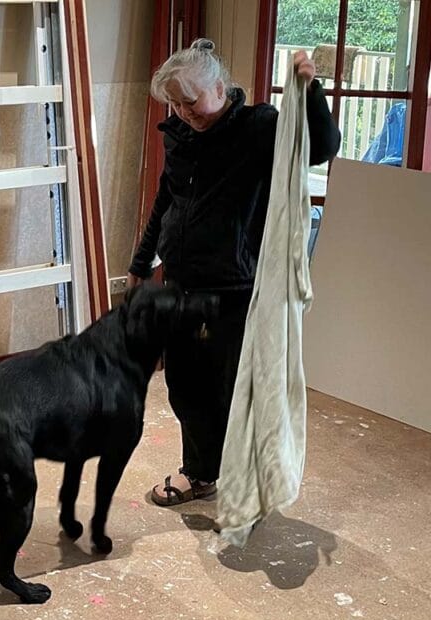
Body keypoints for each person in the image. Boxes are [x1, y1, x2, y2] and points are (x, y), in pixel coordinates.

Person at [127, 38, 341, 506]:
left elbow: (320, 147)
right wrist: (142, 262)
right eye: (175, 105)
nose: (185, 113)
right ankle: (201, 473)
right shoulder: (179, 135)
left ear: (219, 87)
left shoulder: (258, 127)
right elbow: (167, 199)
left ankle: (246, 481)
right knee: (184, 387)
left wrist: (309, 90)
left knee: (231, 392)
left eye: (191, 102)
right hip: (181, 283)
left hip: (233, 288)